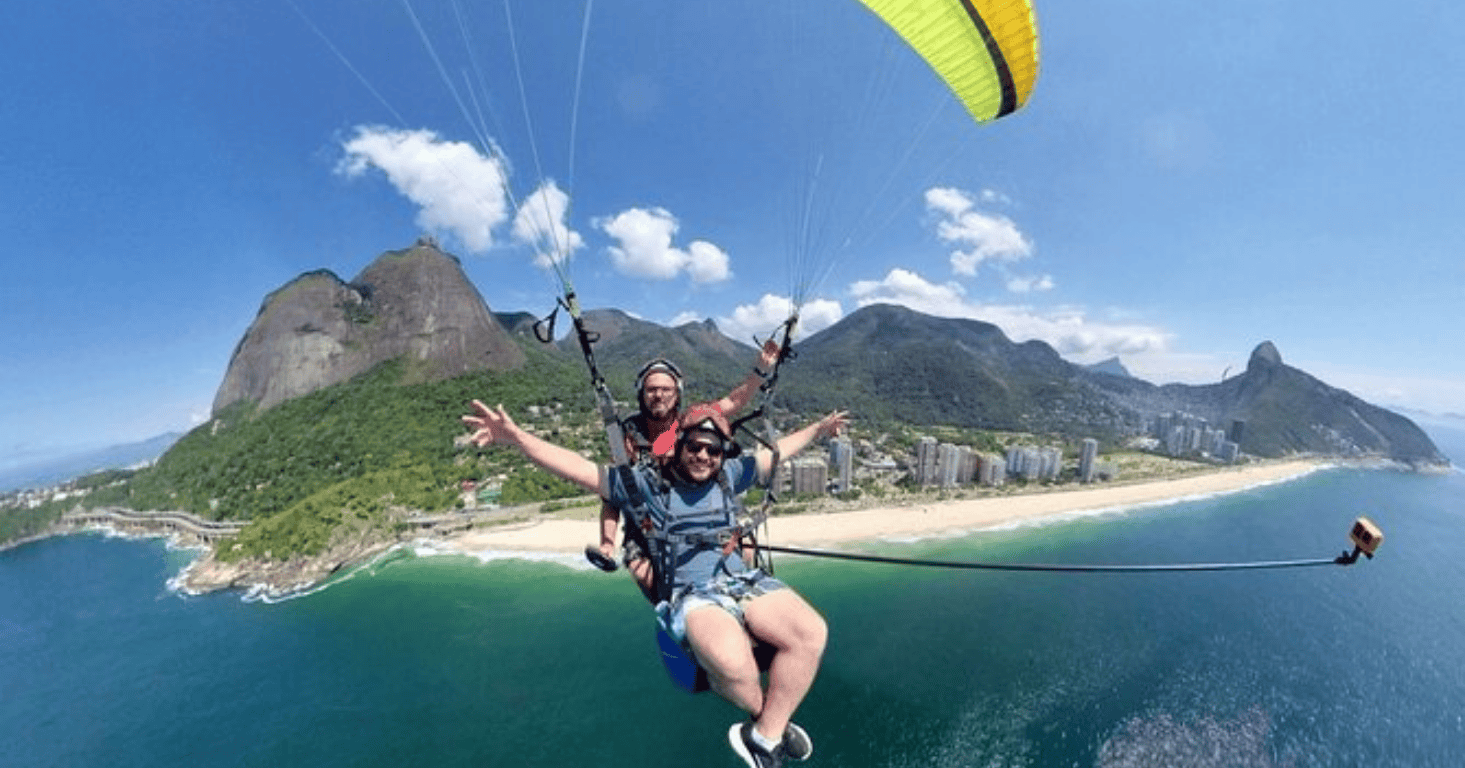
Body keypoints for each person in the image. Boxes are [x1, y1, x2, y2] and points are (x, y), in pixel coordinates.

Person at [463, 399, 848, 768]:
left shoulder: (730, 476)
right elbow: (579, 469)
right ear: (679, 445)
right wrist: (518, 438)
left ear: (722, 454)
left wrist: (819, 428)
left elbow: (778, 452)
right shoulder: (644, 486)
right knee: (736, 668)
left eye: (713, 450)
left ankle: (765, 735)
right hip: (693, 594)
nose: (703, 456)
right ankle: (770, 723)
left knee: (811, 633)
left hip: (743, 580)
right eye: (695, 446)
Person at [597, 341, 781, 601]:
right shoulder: (628, 436)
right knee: (642, 570)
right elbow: (612, 496)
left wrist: (761, 370)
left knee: (746, 546)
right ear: (642, 394)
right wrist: (607, 542)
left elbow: (733, 402)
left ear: (677, 394)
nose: (659, 395)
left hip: (694, 511)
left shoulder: (693, 421)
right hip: (647, 523)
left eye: (666, 389)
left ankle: (743, 597)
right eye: (652, 390)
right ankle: (674, 608)